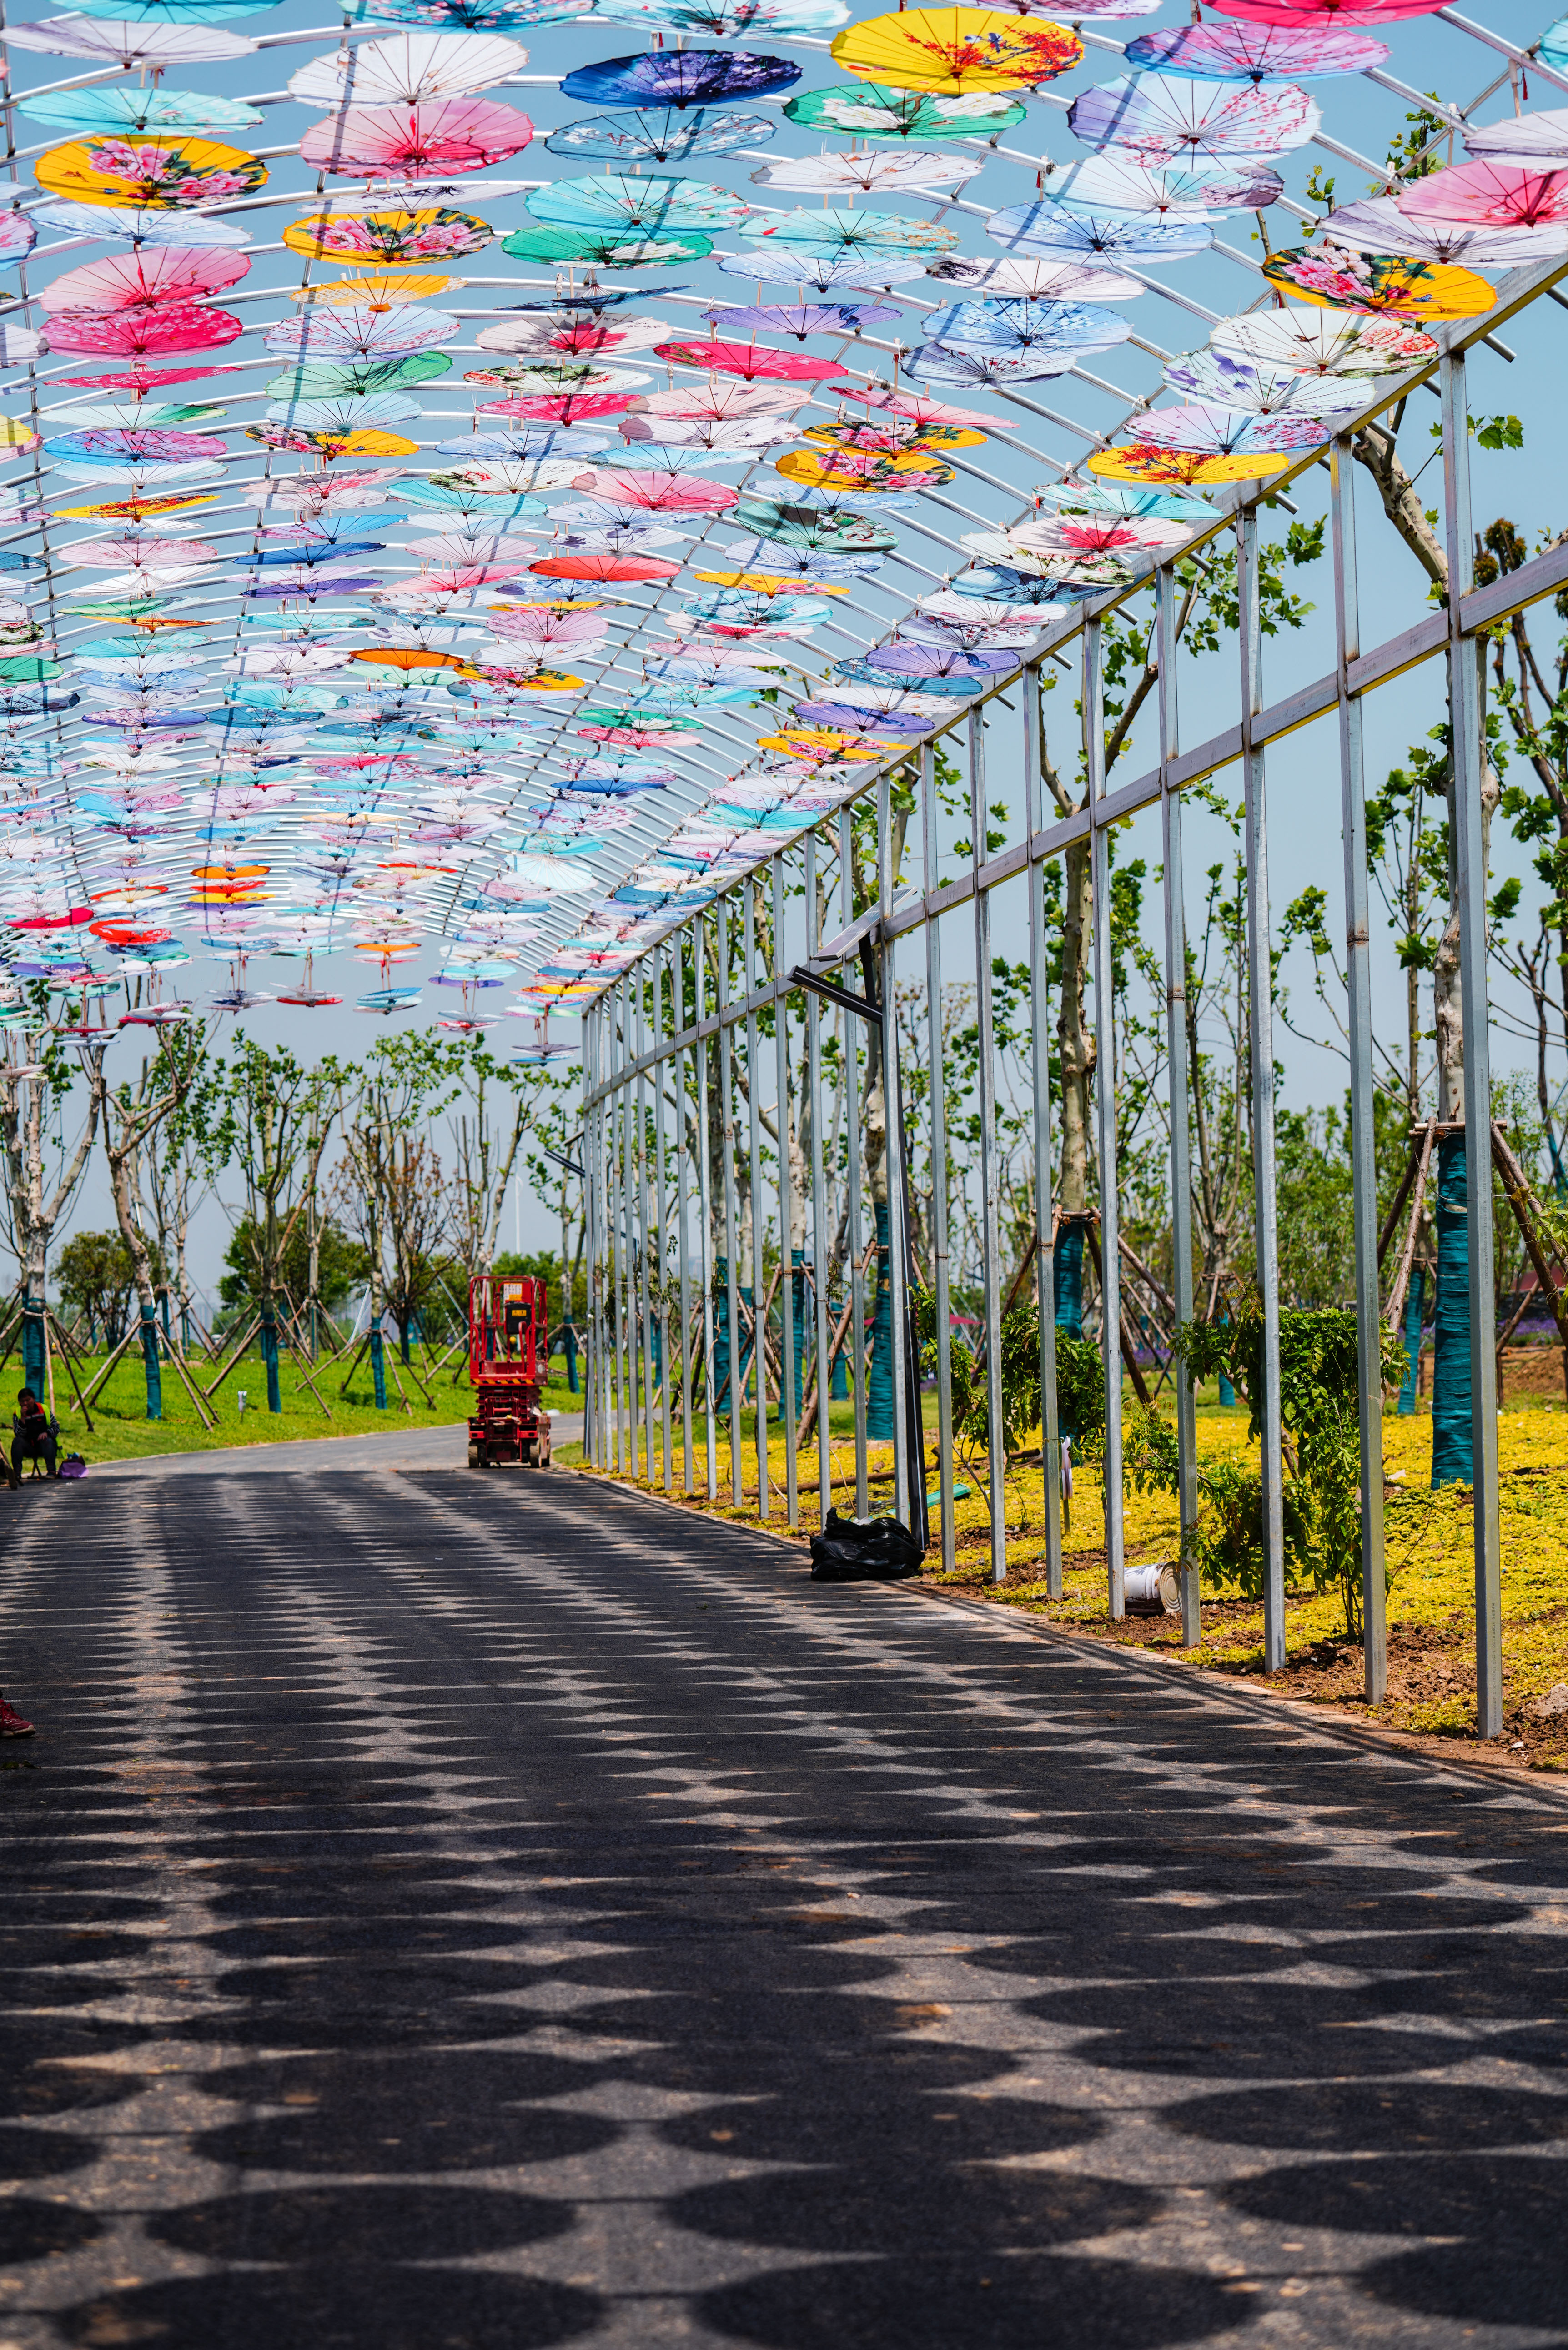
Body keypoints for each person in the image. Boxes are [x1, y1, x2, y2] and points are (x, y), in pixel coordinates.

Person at [11, 1388, 58, 1485]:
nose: (25, 1404)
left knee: (47, 1440)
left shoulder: (43, 1410)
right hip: (28, 1447)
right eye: (22, 1401)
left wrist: (47, 1433)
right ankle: (17, 1474)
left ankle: (52, 1472)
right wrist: (23, 1419)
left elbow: (56, 1427)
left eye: (28, 1400)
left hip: (45, 1446)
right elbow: (18, 1433)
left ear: (34, 1399)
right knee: (17, 1441)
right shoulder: (18, 1414)